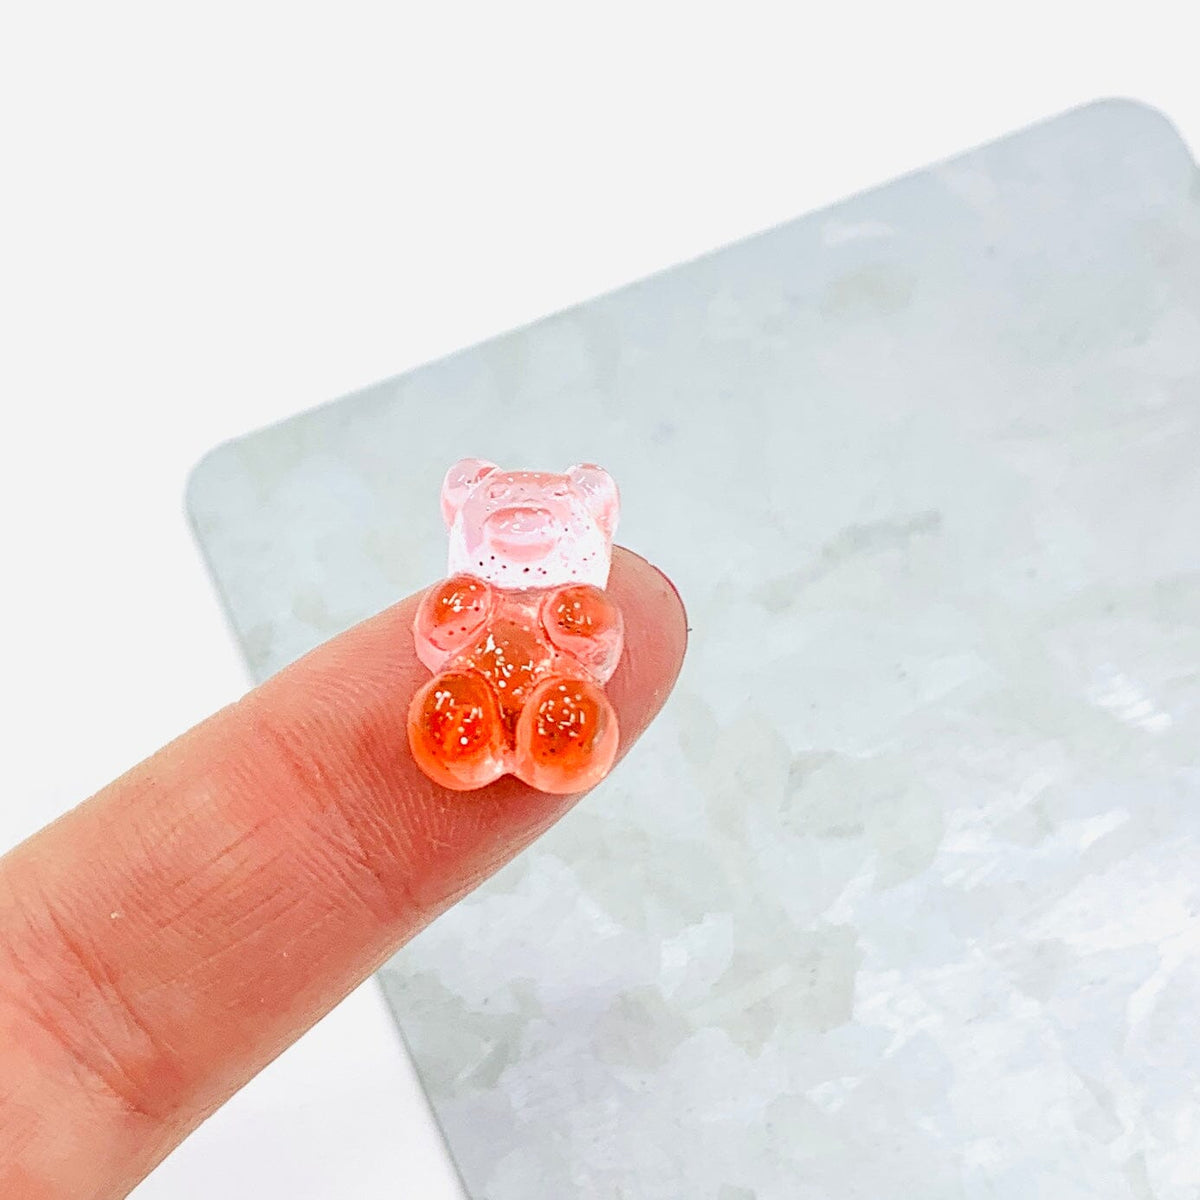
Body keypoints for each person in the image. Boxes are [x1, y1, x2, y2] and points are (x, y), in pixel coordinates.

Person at [0, 549, 686, 1199]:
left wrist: (574, 623)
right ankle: (484, 725)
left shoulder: (571, 601)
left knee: (561, 716)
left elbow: (594, 638)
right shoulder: (474, 595)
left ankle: (547, 730)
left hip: (556, 685)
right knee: (456, 712)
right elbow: (439, 629)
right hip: (468, 684)